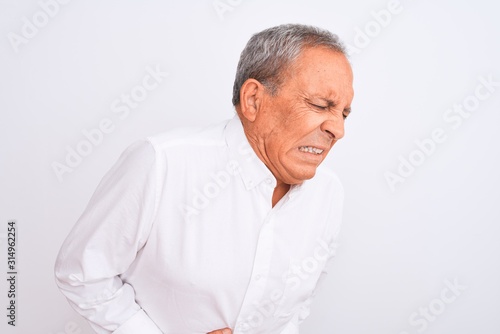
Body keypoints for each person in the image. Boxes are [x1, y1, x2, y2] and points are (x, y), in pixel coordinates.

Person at [54, 23, 354, 334]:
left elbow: (295, 309)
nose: (338, 130)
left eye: (344, 113)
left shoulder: (329, 193)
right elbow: (81, 273)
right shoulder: (161, 162)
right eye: (321, 105)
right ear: (253, 100)